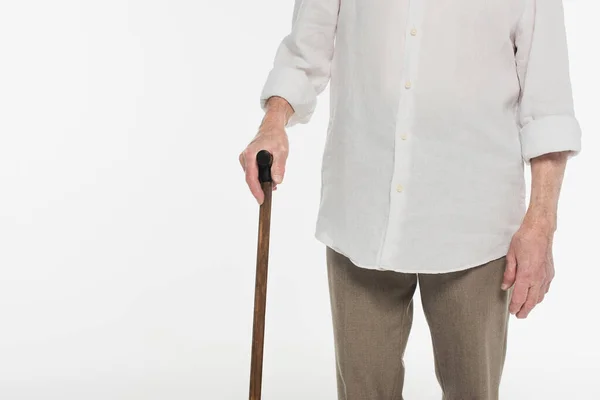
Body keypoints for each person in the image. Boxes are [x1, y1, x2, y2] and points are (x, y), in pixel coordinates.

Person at [239, 0, 581, 398]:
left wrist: (541, 223)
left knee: (473, 392)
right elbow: (304, 53)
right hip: (361, 213)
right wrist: (273, 123)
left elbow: (548, 105)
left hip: (474, 225)